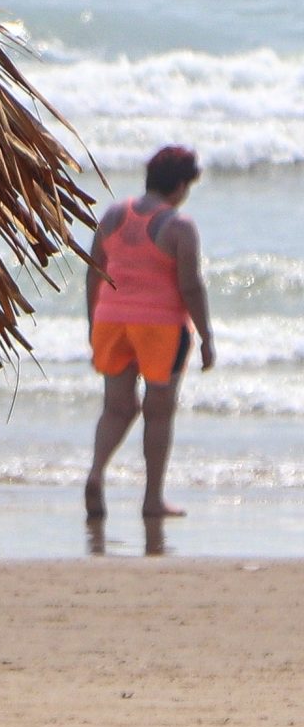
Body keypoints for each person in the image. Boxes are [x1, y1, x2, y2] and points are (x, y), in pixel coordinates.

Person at [85, 144, 214, 525]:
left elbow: (94, 272)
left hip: (112, 321)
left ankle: (95, 473)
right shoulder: (179, 226)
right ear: (179, 186)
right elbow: (190, 285)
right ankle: (153, 499)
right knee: (159, 412)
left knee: (117, 406)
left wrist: (92, 323)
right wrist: (206, 335)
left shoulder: (113, 215)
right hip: (160, 327)